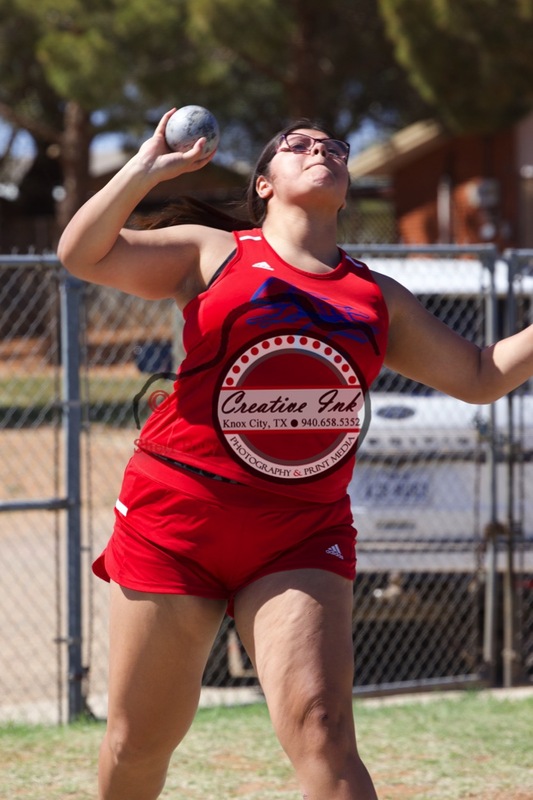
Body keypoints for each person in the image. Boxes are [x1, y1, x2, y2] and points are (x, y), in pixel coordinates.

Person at [57, 108, 533, 800]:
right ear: (264, 185)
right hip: (177, 519)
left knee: (323, 730)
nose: (322, 150)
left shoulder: (372, 296)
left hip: (298, 532)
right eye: (298, 145)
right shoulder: (212, 251)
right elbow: (81, 255)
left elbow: (481, 375)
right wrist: (146, 168)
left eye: (334, 146)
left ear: (345, 186)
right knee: (138, 742)